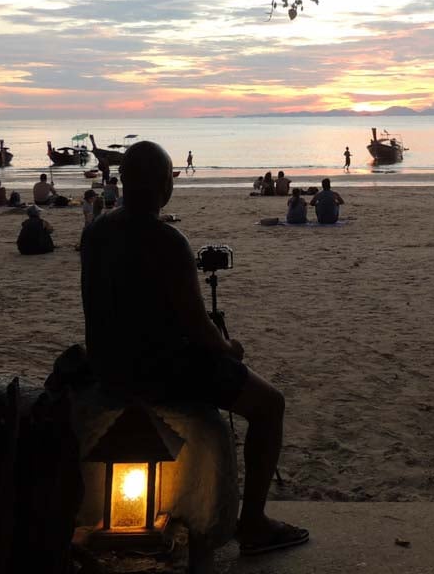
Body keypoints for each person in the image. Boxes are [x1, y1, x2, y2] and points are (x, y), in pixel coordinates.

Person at [80, 142, 308, 556]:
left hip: (107, 363)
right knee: (270, 405)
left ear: (123, 181)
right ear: (165, 185)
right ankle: (253, 523)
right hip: (160, 369)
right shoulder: (167, 240)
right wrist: (228, 348)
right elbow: (197, 325)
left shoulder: (96, 232)